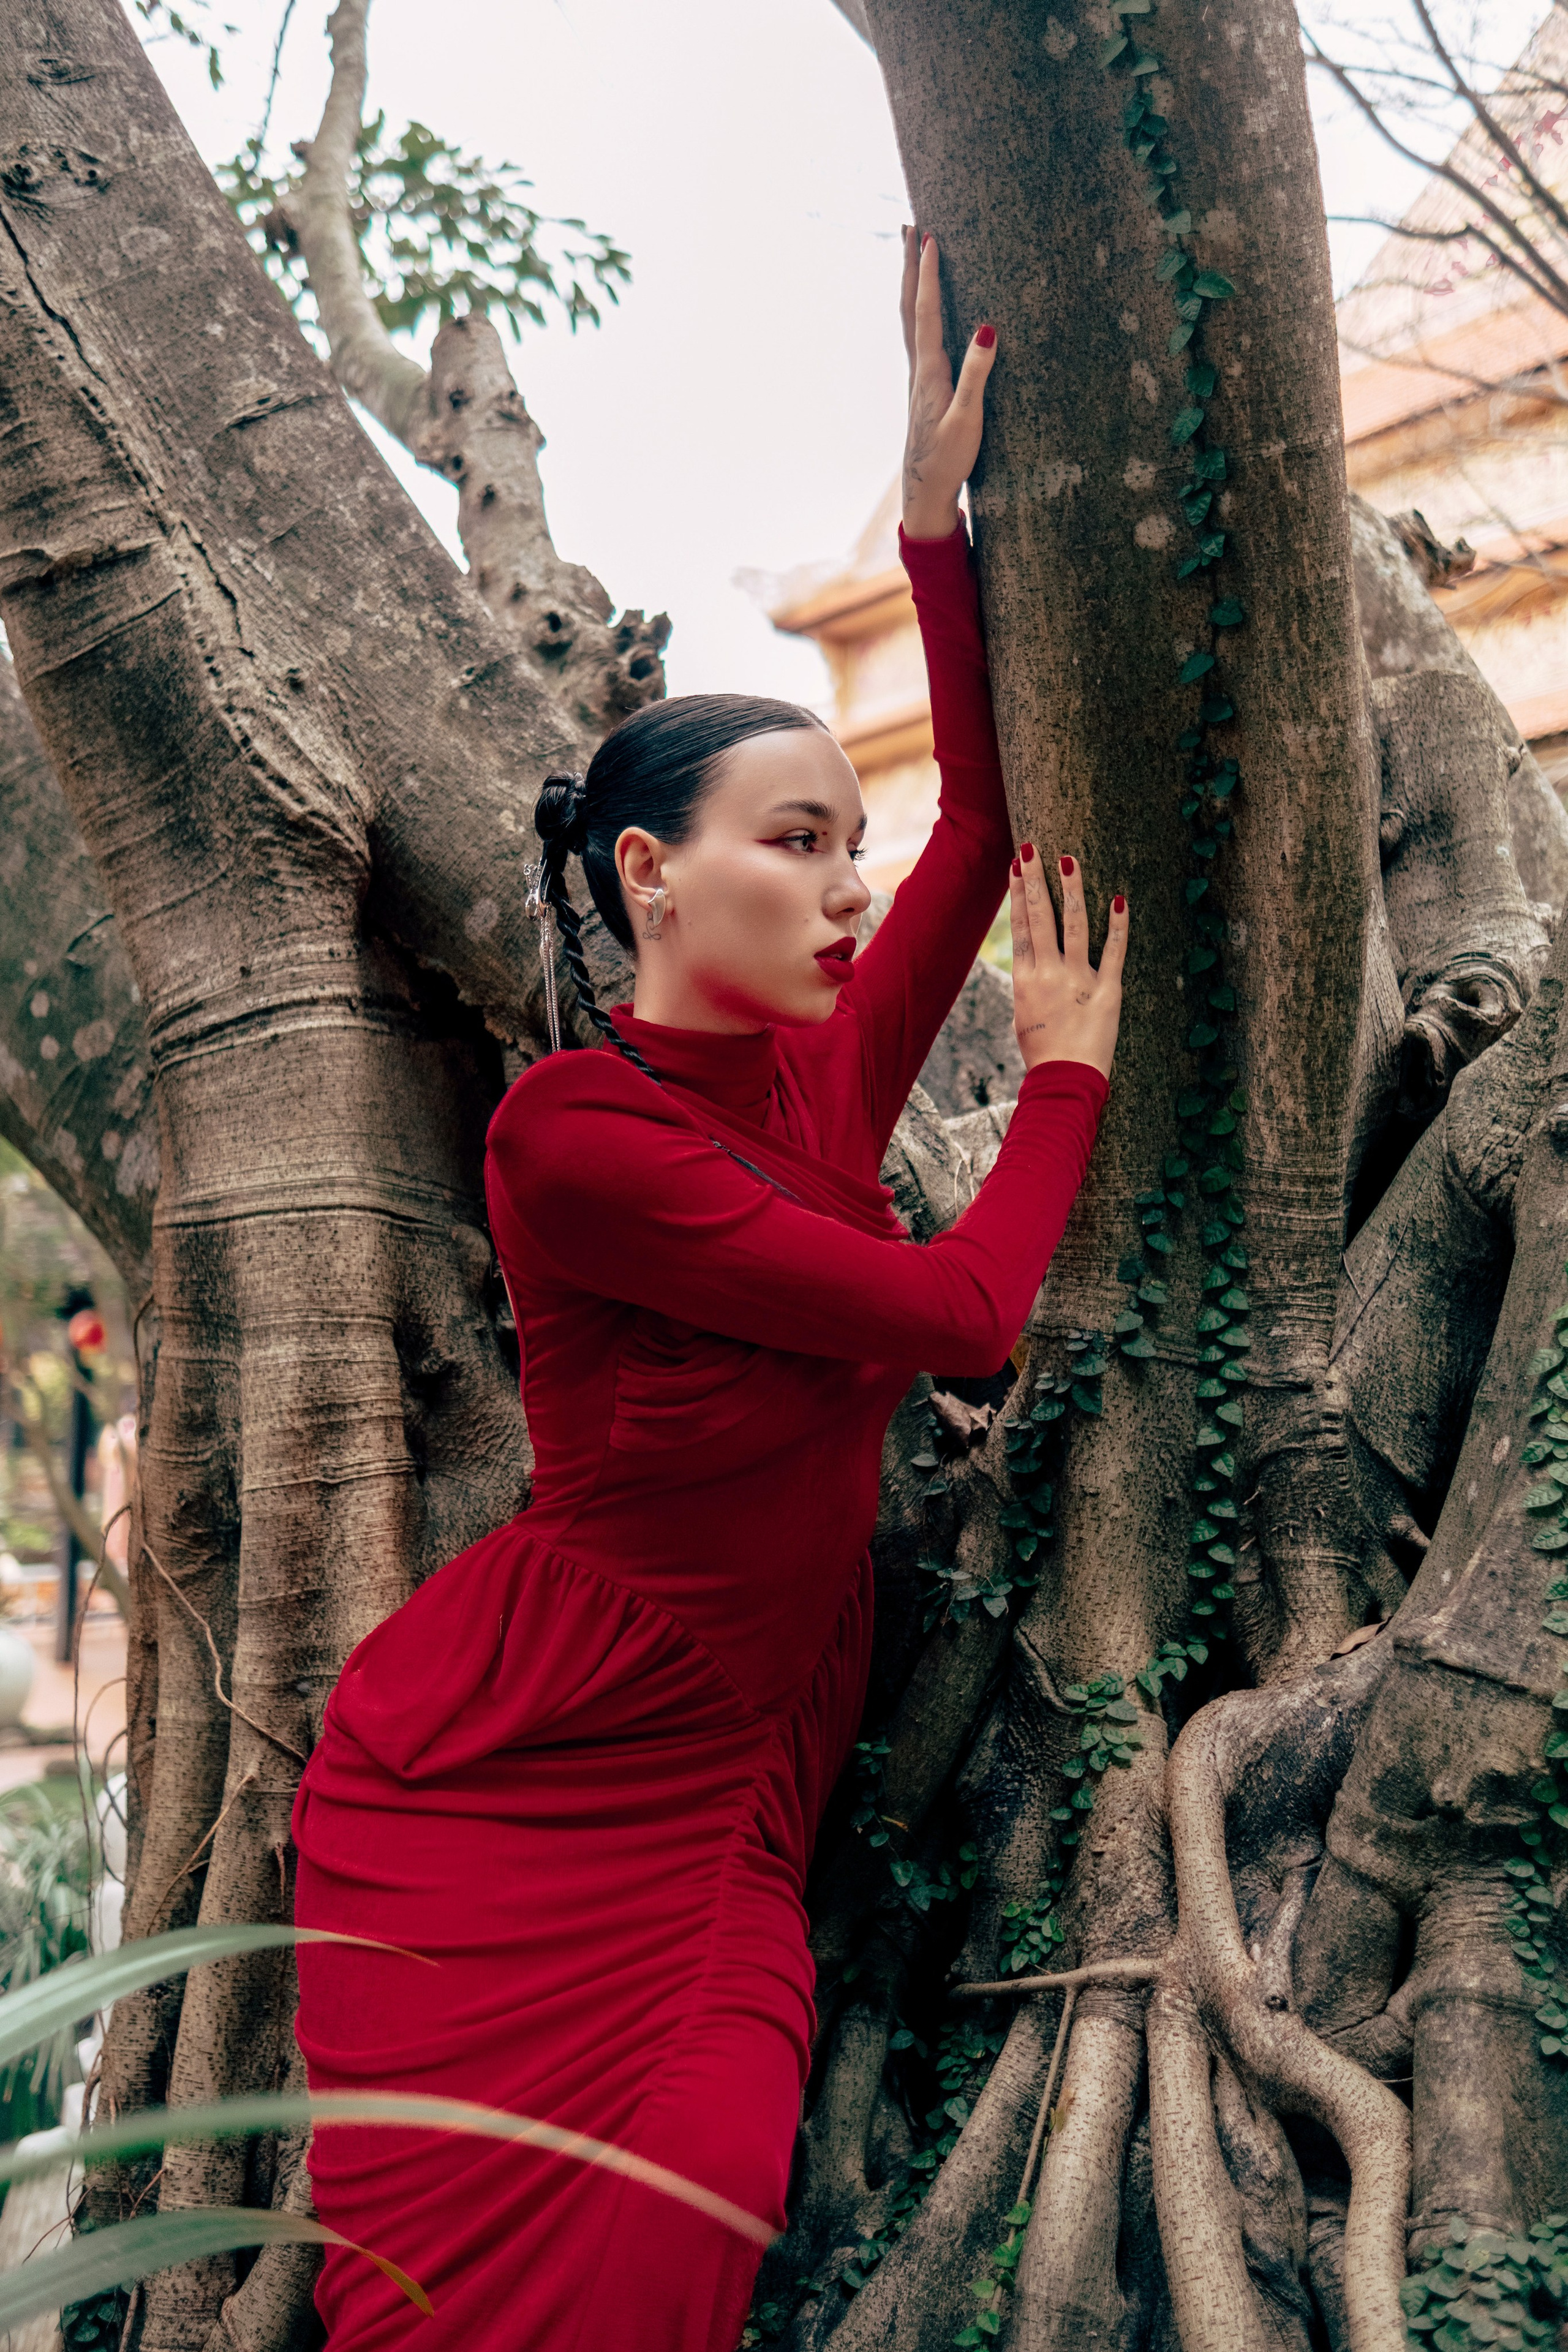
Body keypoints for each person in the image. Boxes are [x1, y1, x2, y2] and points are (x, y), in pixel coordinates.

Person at [291, 232, 1126, 2352]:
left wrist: (932, 533)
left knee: (697, 2207)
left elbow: (995, 821)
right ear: (653, 873)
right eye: (795, 841)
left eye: (851, 843)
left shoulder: (825, 1078)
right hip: (533, 1777)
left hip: (733, 1775)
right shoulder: (577, 1138)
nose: (851, 884)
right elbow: (960, 1318)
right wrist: (1061, 1080)